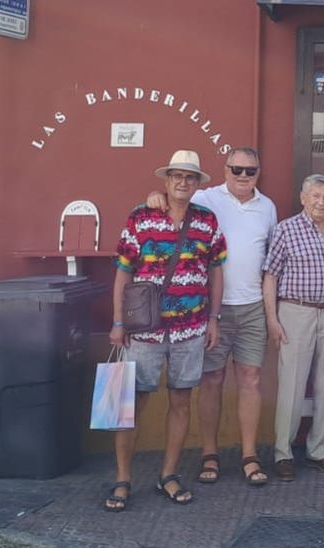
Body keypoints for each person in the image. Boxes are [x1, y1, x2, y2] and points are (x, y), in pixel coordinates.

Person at [147, 148, 277, 487]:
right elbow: (175, 193)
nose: (243, 176)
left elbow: (271, 261)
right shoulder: (207, 197)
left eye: (250, 170)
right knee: (212, 381)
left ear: (258, 172)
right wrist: (155, 197)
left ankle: (249, 455)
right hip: (211, 308)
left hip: (252, 308)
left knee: (250, 381)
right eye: (236, 169)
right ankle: (210, 453)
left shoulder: (268, 207)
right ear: (225, 169)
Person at [105, 149, 226, 512]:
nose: (183, 182)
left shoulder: (207, 220)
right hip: (145, 331)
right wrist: (117, 322)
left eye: (190, 177)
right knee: (130, 405)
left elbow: (217, 270)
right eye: (177, 176)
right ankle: (123, 479)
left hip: (190, 328)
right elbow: (123, 271)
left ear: (197, 183)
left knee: (181, 401)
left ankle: (168, 475)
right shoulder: (141, 218)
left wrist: (213, 318)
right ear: (166, 180)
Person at [263, 174, 324, 481]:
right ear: (303, 198)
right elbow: (270, 276)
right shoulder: (286, 229)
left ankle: (319, 449)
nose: (321, 202)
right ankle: (283, 452)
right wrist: (273, 319)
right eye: (315, 196)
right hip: (295, 311)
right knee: (292, 384)